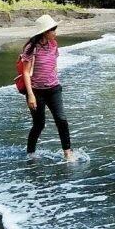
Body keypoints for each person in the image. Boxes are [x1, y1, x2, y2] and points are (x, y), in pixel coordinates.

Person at [21, 14, 73, 160]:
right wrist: (30, 95)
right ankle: (31, 153)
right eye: (53, 29)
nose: (55, 32)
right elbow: (25, 73)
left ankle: (68, 152)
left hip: (54, 89)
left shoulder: (54, 44)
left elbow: (54, 63)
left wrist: (52, 74)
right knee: (39, 125)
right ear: (45, 31)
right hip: (36, 92)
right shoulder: (32, 48)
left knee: (61, 119)